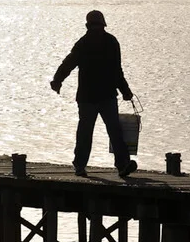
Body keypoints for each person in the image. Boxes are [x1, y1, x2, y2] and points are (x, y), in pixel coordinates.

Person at [50, 10, 138, 178]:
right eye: (95, 26)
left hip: (99, 97)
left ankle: (121, 165)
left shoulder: (91, 43)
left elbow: (69, 63)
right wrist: (57, 80)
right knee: (96, 131)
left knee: (107, 131)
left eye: (97, 26)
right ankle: (84, 165)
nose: (97, 29)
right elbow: (69, 63)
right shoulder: (105, 42)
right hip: (94, 97)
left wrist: (125, 91)